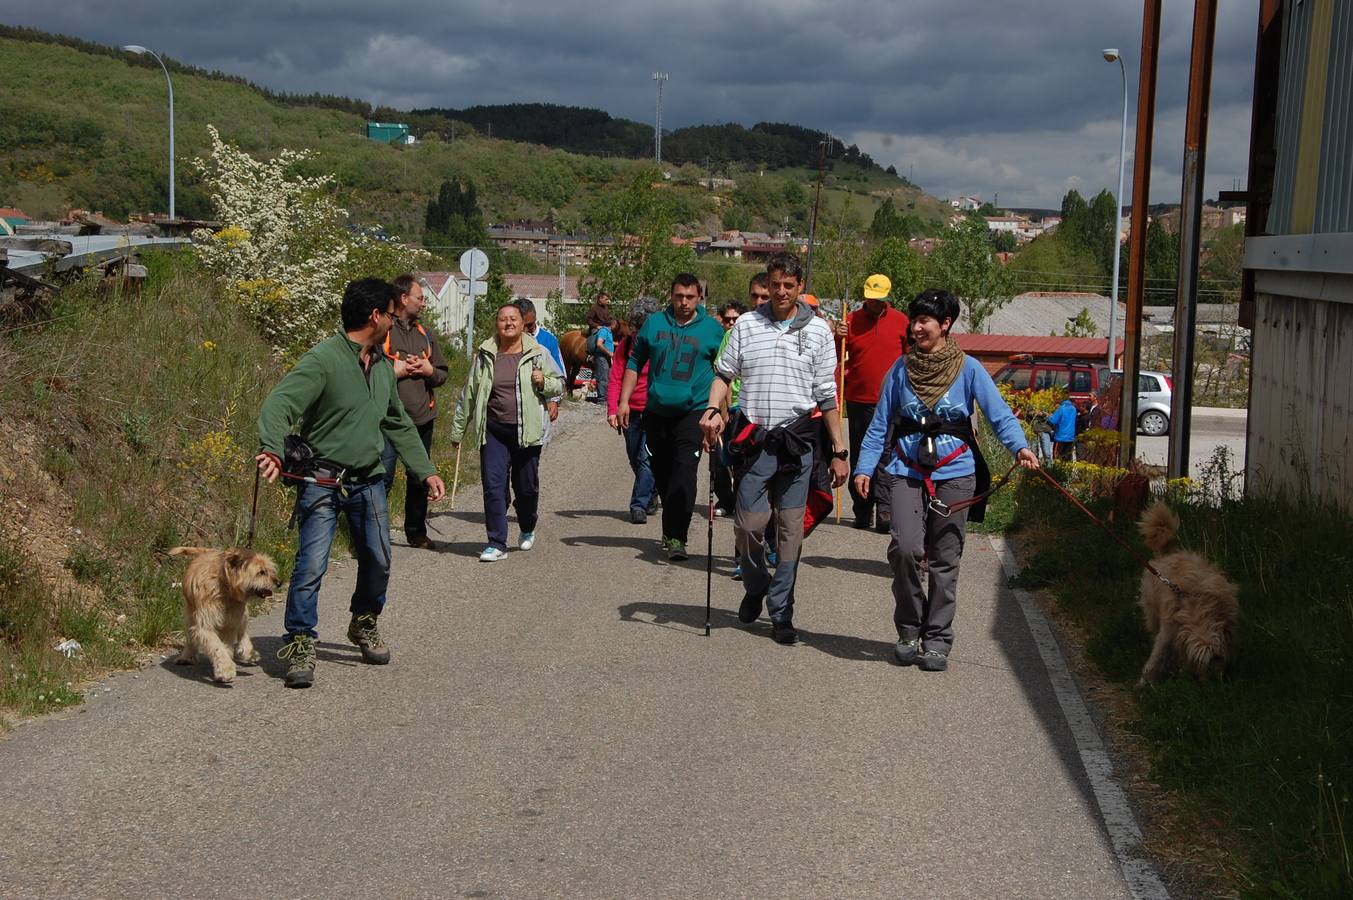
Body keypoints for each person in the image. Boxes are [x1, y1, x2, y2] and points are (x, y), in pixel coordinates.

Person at [255, 277, 447, 689]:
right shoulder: (324, 359)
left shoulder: (379, 365)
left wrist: (425, 469)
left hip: (369, 482)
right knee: (310, 567)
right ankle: (301, 641)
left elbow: (397, 421)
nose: (396, 324)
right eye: (392, 316)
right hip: (322, 482)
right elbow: (280, 403)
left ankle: (364, 621)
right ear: (375, 316)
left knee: (379, 559)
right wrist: (271, 448)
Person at [853, 289, 1038, 672]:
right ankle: (908, 628)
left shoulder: (968, 369)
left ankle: (937, 638)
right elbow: (879, 426)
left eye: (925, 321)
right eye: (914, 320)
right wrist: (864, 468)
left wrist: (1019, 447)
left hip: (956, 475)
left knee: (944, 560)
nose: (917, 327)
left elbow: (998, 413)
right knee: (905, 549)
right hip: (906, 471)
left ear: (946, 324)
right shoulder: (900, 370)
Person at [701, 253, 849, 645]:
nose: (781, 291)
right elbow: (723, 375)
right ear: (767, 284)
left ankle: (782, 612)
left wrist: (838, 450)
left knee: (789, 531)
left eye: (789, 284)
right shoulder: (747, 325)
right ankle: (755, 585)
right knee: (748, 525)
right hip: (756, 441)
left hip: (799, 443)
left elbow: (827, 394)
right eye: (775, 284)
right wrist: (714, 410)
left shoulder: (818, 332)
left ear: (800, 287)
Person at [617, 273, 725, 561]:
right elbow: (634, 361)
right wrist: (624, 401)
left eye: (690, 297)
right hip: (656, 412)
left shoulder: (713, 331)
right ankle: (670, 528)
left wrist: (719, 414)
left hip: (693, 412)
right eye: (679, 296)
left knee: (684, 476)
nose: (684, 302)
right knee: (662, 475)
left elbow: (724, 374)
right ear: (671, 295)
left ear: (699, 298)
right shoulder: (654, 324)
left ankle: (678, 537)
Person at [451, 302, 564, 562]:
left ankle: (526, 526)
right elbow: (469, 392)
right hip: (493, 430)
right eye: (503, 319)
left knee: (526, 489)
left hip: (528, 431)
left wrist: (544, 382)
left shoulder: (539, 352)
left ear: (523, 324)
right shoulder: (485, 353)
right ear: (497, 323)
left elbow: (558, 385)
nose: (508, 323)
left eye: (513, 319)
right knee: (493, 486)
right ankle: (496, 542)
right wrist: (458, 430)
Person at [835, 273, 909, 532]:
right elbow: (835, 356)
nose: (876, 303)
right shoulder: (850, 321)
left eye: (880, 299)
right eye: (871, 299)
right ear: (865, 296)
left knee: (886, 455)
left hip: (892, 400)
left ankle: (884, 508)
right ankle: (862, 510)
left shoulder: (901, 321)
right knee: (861, 455)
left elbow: (911, 358)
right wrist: (837, 336)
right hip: (858, 399)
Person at [380, 273, 450, 550]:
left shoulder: (425, 334)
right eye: (419, 298)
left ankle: (416, 532)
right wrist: (394, 371)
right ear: (403, 298)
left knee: (420, 477)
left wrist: (428, 370)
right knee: (381, 478)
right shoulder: (383, 330)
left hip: (422, 419)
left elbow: (443, 374)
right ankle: (374, 536)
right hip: (386, 420)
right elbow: (366, 367)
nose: (423, 303)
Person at [607, 296, 663, 524]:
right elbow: (615, 379)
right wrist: (613, 408)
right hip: (630, 410)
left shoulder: (661, 344)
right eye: (636, 326)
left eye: (643, 326)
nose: (638, 331)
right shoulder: (627, 345)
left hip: (655, 410)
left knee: (645, 458)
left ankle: (637, 505)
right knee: (633, 456)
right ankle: (651, 493)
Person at [710, 300, 747, 516]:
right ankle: (725, 500)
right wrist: (721, 411)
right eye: (727, 320)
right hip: (731, 404)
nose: (731, 323)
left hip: (748, 406)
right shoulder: (726, 339)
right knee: (720, 456)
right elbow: (723, 376)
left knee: (742, 458)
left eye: (735, 318)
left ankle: (743, 499)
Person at [519, 298, 565, 427]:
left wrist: (554, 401)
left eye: (531, 324)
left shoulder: (548, 340)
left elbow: (560, 376)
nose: (528, 330)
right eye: (524, 326)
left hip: (539, 407)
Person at [590, 316, 616, 403]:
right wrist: (609, 353)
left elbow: (608, 342)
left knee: (607, 376)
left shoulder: (609, 332)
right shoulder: (604, 331)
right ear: (612, 324)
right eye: (615, 324)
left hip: (605, 357)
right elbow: (599, 343)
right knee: (602, 376)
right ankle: (601, 399)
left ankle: (605, 397)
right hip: (601, 356)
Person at [1048, 396, 1079, 461]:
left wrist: (1048, 416)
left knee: (1057, 457)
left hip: (1060, 436)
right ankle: (1067, 470)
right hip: (1070, 436)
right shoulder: (1073, 409)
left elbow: (1053, 421)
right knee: (1067, 457)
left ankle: (1058, 470)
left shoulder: (1061, 408)